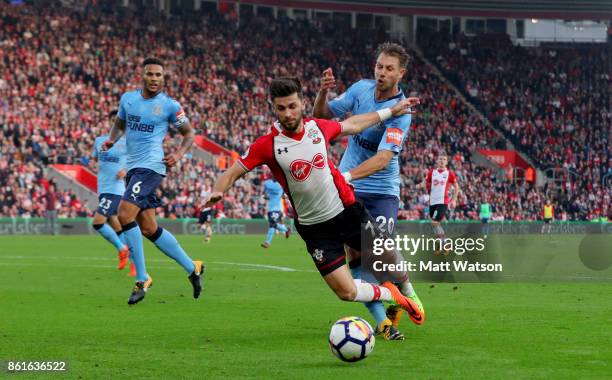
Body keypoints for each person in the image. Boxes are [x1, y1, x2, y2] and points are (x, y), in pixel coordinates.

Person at [205, 77, 425, 325]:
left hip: (346, 211)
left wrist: (390, 111)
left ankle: (405, 287)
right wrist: (217, 191)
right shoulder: (267, 145)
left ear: (301, 103)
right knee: (346, 292)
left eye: (292, 106)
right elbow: (233, 171)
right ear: (273, 108)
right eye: (281, 108)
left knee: (389, 259)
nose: (288, 113)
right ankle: (392, 295)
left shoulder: (317, 128)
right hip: (314, 228)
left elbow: (353, 124)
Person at [313, 42, 420, 340]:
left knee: (380, 253)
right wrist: (323, 92)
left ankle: (405, 290)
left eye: (389, 68)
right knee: (358, 251)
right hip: (352, 189)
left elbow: (384, 158)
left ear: (401, 73)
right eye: (379, 66)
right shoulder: (360, 89)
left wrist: (344, 175)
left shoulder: (402, 112)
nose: (382, 72)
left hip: (382, 191)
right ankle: (383, 323)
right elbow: (323, 119)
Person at [102, 57, 205, 305]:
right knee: (148, 228)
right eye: (150, 74)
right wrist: (111, 139)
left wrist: (179, 154)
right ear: (143, 76)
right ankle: (193, 267)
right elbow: (120, 123)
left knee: (124, 215)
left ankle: (142, 278)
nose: (155, 79)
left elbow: (189, 133)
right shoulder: (128, 99)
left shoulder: (170, 106)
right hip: (134, 169)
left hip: (151, 167)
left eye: (159, 75)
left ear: (163, 78)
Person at [92, 110, 132, 273]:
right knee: (115, 224)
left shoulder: (128, 142)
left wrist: (126, 170)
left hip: (115, 190)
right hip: (102, 188)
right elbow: (97, 159)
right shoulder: (99, 141)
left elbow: (137, 160)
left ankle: (122, 250)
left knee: (98, 222)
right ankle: (133, 262)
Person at [418, 153, 460, 254]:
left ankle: (443, 243)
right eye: (440, 159)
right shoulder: (432, 172)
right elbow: (425, 182)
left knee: (435, 222)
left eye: (444, 159)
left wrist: (454, 199)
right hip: (432, 202)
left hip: (443, 202)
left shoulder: (449, 173)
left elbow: (457, 187)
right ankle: (442, 243)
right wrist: (420, 185)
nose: (441, 161)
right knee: (434, 224)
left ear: (446, 162)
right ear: (437, 161)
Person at [261, 177, 291, 248]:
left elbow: (284, 195)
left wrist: (284, 197)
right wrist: (267, 197)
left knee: (272, 224)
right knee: (273, 224)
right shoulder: (268, 183)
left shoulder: (280, 185)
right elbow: (263, 195)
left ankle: (267, 242)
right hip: (270, 209)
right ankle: (287, 230)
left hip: (277, 209)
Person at [199, 179, 214, 243]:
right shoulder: (202, 190)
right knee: (201, 226)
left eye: (208, 181)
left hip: (208, 210)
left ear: (210, 183)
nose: (206, 182)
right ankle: (209, 232)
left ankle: (207, 238)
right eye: (205, 181)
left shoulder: (211, 190)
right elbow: (201, 199)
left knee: (208, 224)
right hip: (202, 210)